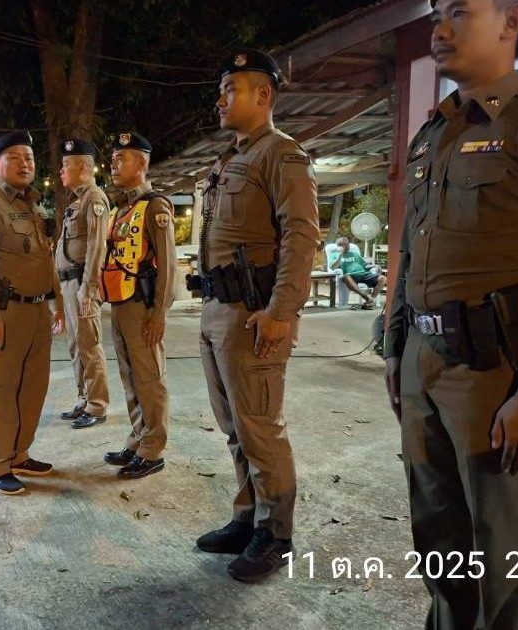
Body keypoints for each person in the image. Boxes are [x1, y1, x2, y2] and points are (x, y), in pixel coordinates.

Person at [384, 1, 518, 627]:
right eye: (435, 14)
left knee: (499, 549)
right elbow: (410, 251)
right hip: (422, 364)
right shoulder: (435, 132)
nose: (439, 28)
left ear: (510, 21)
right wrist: (395, 348)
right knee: (437, 536)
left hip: (490, 371)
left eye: (459, 12)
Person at [193, 51, 319, 583]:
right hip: (218, 310)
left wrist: (280, 311)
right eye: (221, 90)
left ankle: (276, 534)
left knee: (261, 429)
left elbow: (301, 235)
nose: (220, 99)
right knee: (235, 428)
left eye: (231, 89)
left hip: (253, 315)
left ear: (263, 95)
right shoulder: (229, 159)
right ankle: (247, 517)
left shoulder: (281, 154)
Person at [0, 130, 66, 496]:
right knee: (2, 389)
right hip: (6, 313)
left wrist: (57, 302)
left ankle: (19, 454)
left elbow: (44, 257)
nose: (25, 164)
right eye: (15, 157)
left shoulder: (32, 205)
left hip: (37, 311)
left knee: (33, 389)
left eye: (29, 157)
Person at [100, 131, 176, 480]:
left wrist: (159, 312)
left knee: (149, 377)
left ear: (142, 163)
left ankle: (153, 449)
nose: (114, 164)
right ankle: (138, 438)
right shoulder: (122, 209)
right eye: (113, 158)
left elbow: (168, 265)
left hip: (143, 305)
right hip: (120, 303)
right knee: (130, 376)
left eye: (121, 158)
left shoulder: (155, 206)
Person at [55, 138, 111, 429]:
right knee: (76, 345)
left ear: (83, 168)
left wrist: (88, 288)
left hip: (82, 284)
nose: (61, 170)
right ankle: (85, 398)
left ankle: (97, 405)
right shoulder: (78, 201)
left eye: (66, 165)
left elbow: (96, 246)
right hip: (69, 284)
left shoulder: (95, 199)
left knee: (89, 345)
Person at [330, 236, 386, 309]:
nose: (347, 247)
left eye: (347, 244)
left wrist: (374, 266)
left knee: (383, 278)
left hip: (363, 274)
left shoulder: (355, 254)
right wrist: (340, 255)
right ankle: (365, 297)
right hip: (350, 276)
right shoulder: (334, 255)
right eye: (344, 245)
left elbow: (364, 265)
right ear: (339, 246)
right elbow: (333, 268)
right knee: (346, 276)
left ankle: (370, 300)